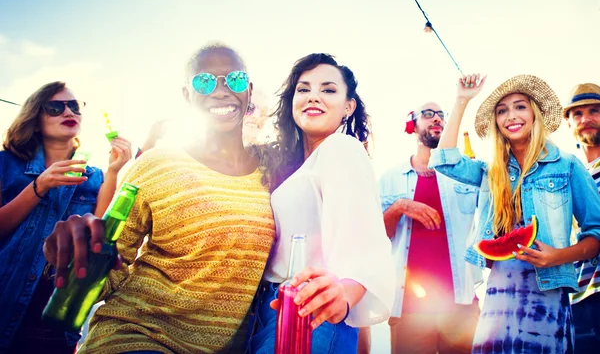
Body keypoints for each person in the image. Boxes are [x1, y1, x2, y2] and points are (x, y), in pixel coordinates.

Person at [43, 43, 276, 353]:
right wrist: (77, 254)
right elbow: (111, 266)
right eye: (205, 81)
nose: (221, 91)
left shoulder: (273, 176)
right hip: (136, 337)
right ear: (186, 96)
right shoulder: (156, 164)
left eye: (233, 79)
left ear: (247, 89)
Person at [431, 74, 600, 354]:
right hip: (499, 291)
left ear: (534, 114)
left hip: (548, 288)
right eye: (502, 110)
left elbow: (596, 232)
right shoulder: (490, 172)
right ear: (497, 122)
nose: (511, 115)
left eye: (520, 106)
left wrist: (558, 256)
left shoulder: (567, 166)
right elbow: (444, 160)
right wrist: (461, 100)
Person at [247, 53, 394, 353]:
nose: (314, 96)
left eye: (328, 90)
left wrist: (346, 292)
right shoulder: (296, 168)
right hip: (273, 309)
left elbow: (365, 237)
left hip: (309, 311)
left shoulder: (341, 147)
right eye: (304, 89)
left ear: (348, 106)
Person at [0, 81, 132, 353]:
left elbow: (100, 234)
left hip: (55, 318)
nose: (68, 112)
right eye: (55, 107)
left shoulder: (97, 177)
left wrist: (115, 171)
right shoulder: (5, 164)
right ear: (35, 120)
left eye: (74, 106)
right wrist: (39, 186)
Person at [361, 102, 481, 354]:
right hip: (409, 308)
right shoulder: (390, 178)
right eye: (427, 115)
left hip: (461, 304)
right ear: (412, 126)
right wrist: (398, 207)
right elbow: (375, 239)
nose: (436, 119)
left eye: (441, 115)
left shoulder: (467, 174)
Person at [564, 82, 600, 352]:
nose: (586, 119)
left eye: (594, 111)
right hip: (579, 296)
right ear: (568, 123)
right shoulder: (569, 174)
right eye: (577, 114)